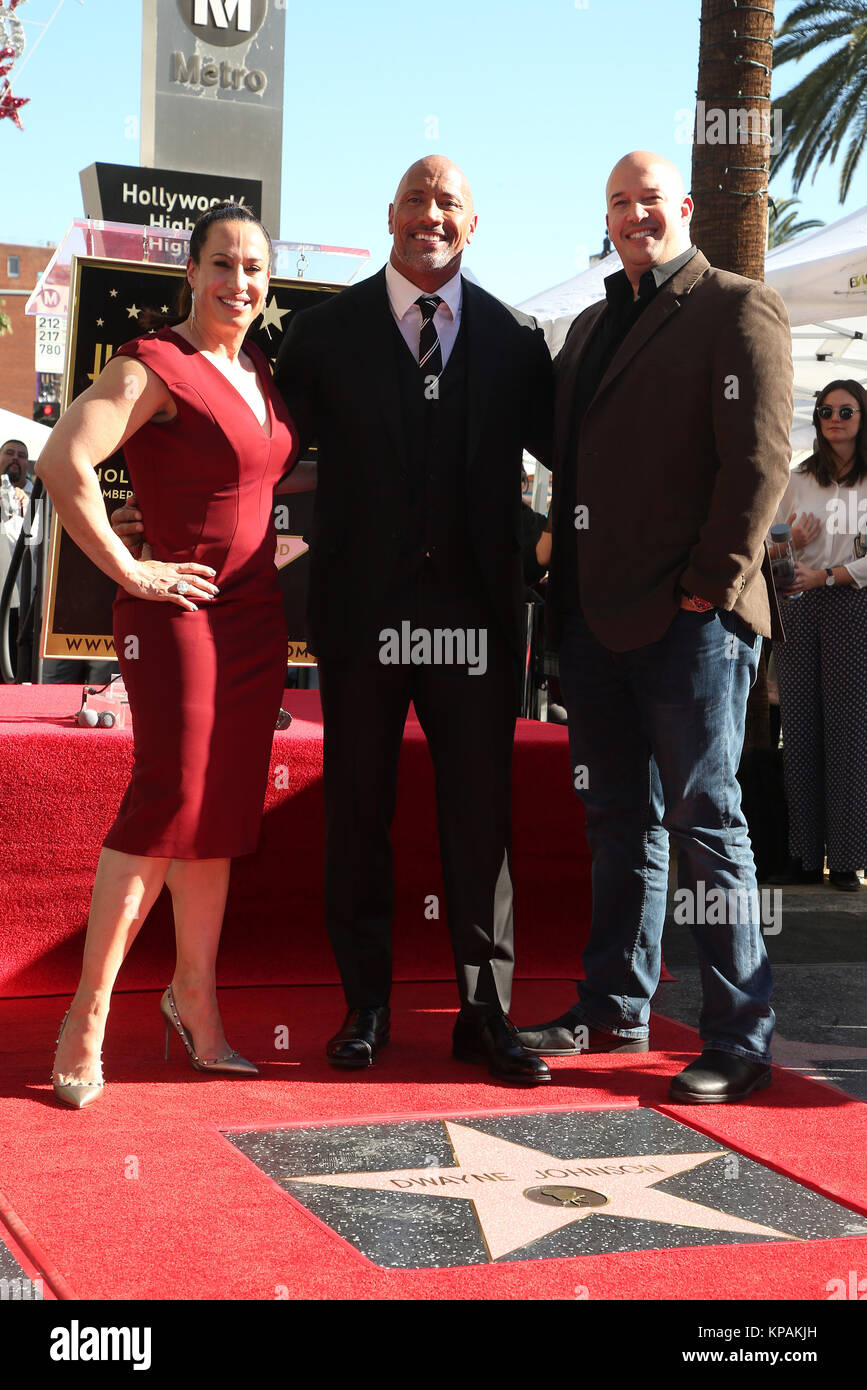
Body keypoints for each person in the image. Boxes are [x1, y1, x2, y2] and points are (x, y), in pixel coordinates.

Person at [516, 151, 793, 1104]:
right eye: (617, 203)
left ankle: (739, 1037)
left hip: (691, 624)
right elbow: (557, 442)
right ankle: (612, 1007)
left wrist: (707, 587)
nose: (633, 215)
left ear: (683, 206)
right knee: (616, 821)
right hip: (594, 618)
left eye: (647, 200)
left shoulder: (736, 306)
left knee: (706, 822)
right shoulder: (591, 326)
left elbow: (759, 460)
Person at [272, 156, 553, 1083]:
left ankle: (485, 1014)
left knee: (480, 818)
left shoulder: (515, 338)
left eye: (448, 203)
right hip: (362, 618)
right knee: (358, 810)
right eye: (416, 200)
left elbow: (582, 453)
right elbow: (262, 453)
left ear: (471, 225)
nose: (430, 214)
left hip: (476, 620)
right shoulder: (321, 334)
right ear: (388, 214)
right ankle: (366, 1006)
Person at [36, 203, 299, 1107]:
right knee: (170, 797)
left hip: (255, 619)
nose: (238, 281)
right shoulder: (154, 362)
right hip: (176, 614)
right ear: (189, 272)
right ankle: (88, 1013)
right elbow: (64, 460)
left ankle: (195, 1001)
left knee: (218, 814)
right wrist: (131, 568)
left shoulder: (257, 368)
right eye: (221, 263)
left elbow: (249, 481)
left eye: (253, 268)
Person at [771, 379, 867, 891]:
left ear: (862, 417)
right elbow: (768, 549)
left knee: (849, 734)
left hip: (853, 605)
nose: (834, 419)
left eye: (845, 411)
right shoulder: (797, 479)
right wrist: (790, 540)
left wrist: (828, 576)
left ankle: (847, 859)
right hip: (798, 605)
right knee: (800, 730)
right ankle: (805, 856)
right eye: (826, 410)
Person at [0, 439, 30, 513]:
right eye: (9, 453)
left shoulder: (41, 498)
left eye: (21, 456)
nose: (15, 457)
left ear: (28, 464)